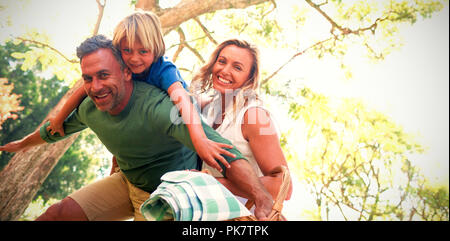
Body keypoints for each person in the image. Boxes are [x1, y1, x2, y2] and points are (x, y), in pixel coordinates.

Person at [0, 35, 274, 221]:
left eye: (104, 75)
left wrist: (260, 197)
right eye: (222, 61)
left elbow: (225, 153)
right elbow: (54, 130)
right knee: (57, 215)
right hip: (128, 181)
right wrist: (21, 144)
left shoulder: (249, 114)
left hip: (171, 195)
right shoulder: (205, 101)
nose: (95, 86)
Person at [46, 10, 231, 173]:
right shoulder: (122, 68)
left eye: (143, 51)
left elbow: (181, 98)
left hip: (183, 115)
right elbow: (82, 92)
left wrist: (199, 140)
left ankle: (216, 102)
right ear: (119, 49)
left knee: (195, 104)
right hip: (146, 119)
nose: (134, 58)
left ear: (156, 49)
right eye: (127, 50)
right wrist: (59, 119)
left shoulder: (163, 69)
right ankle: (118, 168)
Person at [191, 39, 293, 208]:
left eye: (237, 67)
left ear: (249, 77)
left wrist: (212, 184)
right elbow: (182, 99)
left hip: (247, 218)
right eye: (222, 61)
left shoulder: (254, 116)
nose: (225, 70)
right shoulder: (210, 107)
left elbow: (284, 186)